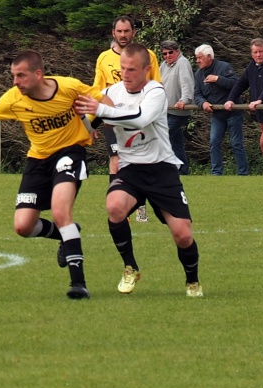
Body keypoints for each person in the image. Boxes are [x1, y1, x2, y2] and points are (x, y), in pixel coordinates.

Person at [0, 50, 103, 300]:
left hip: (70, 153)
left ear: (38, 74)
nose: (15, 82)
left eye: (21, 76)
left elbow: (97, 102)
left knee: (60, 212)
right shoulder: (14, 99)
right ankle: (68, 233)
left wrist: (91, 127)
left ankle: (78, 284)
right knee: (23, 226)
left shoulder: (68, 87)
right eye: (13, 76)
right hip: (37, 160)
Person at [74, 43, 203, 298]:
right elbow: (89, 129)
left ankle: (192, 281)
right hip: (130, 169)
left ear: (146, 69)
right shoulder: (111, 92)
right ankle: (130, 267)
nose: (125, 73)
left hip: (162, 170)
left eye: (132, 69)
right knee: (114, 207)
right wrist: (79, 118)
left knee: (183, 234)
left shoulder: (155, 91)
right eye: (122, 68)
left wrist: (101, 109)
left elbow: (140, 118)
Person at [93, 15, 161, 221]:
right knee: (116, 160)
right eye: (119, 31)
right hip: (112, 121)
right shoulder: (104, 58)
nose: (123, 35)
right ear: (113, 33)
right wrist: (91, 122)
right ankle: (119, 206)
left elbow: (157, 86)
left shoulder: (148, 56)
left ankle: (140, 207)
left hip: (140, 120)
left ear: (134, 33)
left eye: (127, 31)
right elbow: (97, 90)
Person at [223, 38, 263, 176]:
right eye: (255, 52)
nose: (258, 55)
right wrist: (230, 99)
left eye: (260, 52)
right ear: (252, 54)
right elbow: (241, 83)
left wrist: (260, 99)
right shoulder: (252, 66)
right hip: (262, 113)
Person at [194, 44, 249, 176]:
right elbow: (197, 94)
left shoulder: (224, 67)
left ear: (209, 57)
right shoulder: (198, 75)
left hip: (233, 112)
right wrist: (203, 103)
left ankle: (243, 173)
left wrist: (218, 79)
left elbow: (236, 85)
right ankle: (216, 173)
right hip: (217, 115)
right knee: (214, 142)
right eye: (196, 58)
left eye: (200, 58)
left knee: (236, 143)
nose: (197, 61)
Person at [160, 40, 195, 176]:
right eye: (165, 53)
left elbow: (187, 83)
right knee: (176, 142)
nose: (168, 56)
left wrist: (184, 100)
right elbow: (157, 84)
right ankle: (183, 170)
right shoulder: (163, 65)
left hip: (179, 111)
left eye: (170, 52)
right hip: (167, 110)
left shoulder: (182, 63)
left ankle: (163, 170)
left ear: (177, 51)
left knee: (163, 137)